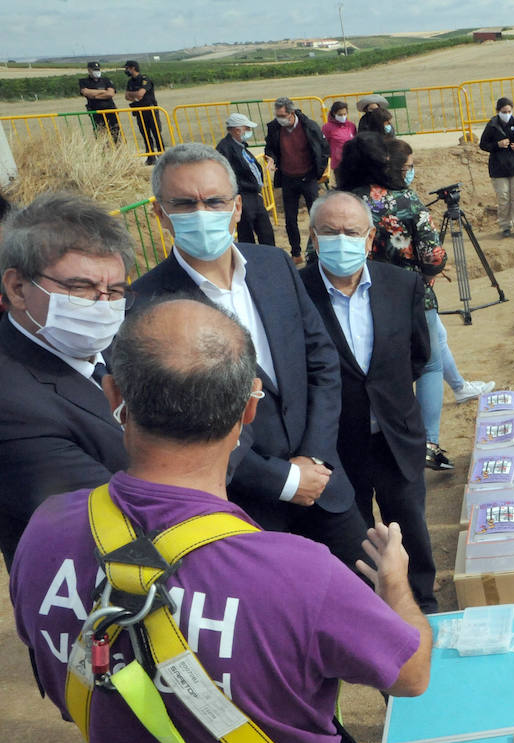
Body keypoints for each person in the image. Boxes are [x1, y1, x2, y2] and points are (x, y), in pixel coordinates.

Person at [10, 294, 432, 743]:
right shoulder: (298, 573)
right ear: (248, 409)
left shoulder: (47, 530)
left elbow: (64, 678)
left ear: (114, 399)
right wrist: (394, 588)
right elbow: (410, 674)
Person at [134, 142, 370, 569]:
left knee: (373, 601)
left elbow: (321, 362)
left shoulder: (273, 266)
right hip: (246, 510)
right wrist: (279, 479)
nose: (202, 213)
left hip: (323, 484)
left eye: (215, 201)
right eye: (184, 204)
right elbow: (177, 422)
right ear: (160, 214)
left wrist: (312, 459)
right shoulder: (147, 305)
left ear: (238, 207)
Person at [301, 190, 438, 612]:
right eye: (329, 231)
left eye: (351, 231)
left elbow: (419, 355)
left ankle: (423, 602)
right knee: (351, 532)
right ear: (313, 235)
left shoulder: (401, 284)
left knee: (409, 523)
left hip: (396, 434)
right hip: (336, 444)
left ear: (369, 235)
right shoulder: (295, 290)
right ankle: (368, 611)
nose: (341, 240)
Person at [335, 133, 493, 471]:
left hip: (351, 302)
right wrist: (429, 271)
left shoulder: (335, 202)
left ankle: (382, 438)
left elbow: (313, 254)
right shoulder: (404, 201)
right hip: (411, 300)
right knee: (429, 364)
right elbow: (432, 257)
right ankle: (427, 442)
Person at [0, 191, 133, 568]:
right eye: (80, 288)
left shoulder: (126, 341)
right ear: (18, 288)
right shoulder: (10, 401)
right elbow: (122, 518)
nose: (102, 304)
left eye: (116, 291)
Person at [264, 97, 328, 265]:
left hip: (308, 178)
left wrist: (317, 173)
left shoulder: (309, 126)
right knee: (290, 219)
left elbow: (323, 149)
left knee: (316, 216)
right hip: (288, 179)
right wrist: (270, 158)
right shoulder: (274, 128)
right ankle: (296, 253)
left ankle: (320, 250)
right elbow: (270, 147)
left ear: (291, 114)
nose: (279, 118)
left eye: (282, 115)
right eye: (277, 115)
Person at [215, 113, 276, 246]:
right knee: (246, 234)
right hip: (242, 195)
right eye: (247, 128)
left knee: (266, 232)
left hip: (254, 194)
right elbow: (225, 174)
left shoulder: (241, 146)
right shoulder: (225, 148)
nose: (249, 132)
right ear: (237, 130)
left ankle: (270, 257)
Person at [478, 97, 514, 238]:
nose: (507, 114)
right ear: (498, 111)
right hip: (499, 168)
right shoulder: (492, 125)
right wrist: (497, 145)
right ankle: (505, 226)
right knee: (503, 197)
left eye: (509, 111)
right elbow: (483, 144)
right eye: (504, 111)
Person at [123, 60, 163, 164]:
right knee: (145, 134)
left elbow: (141, 94)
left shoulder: (145, 79)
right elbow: (126, 96)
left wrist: (134, 95)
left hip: (150, 110)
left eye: (127, 68)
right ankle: (150, 156)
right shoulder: (130, 82)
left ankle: (162, 155)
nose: (126, 70)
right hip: (139, 111)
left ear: (132, 68)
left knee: (156, 133)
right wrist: (135, 96)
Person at [77, 61, 121, 143]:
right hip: (96, 111)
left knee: (115, 132)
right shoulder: (84, 81)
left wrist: (95, 96)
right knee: (100, 134)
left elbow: (111, 93)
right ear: (89, 70)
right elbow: (85, 92)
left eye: (98, 69)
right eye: (94, 69)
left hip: (110, 110)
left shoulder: (106, 80)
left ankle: (118, 151)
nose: (97, 71)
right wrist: (104, 91)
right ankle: (105, 152)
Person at [322, 100, 357, 172]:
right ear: (334, 113)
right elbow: (324, 145)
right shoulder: (327, 127)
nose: (343, 116)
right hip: (339, 165)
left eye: (345, 114)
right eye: (340, 115)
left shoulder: (351, 126)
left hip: (353, 161)